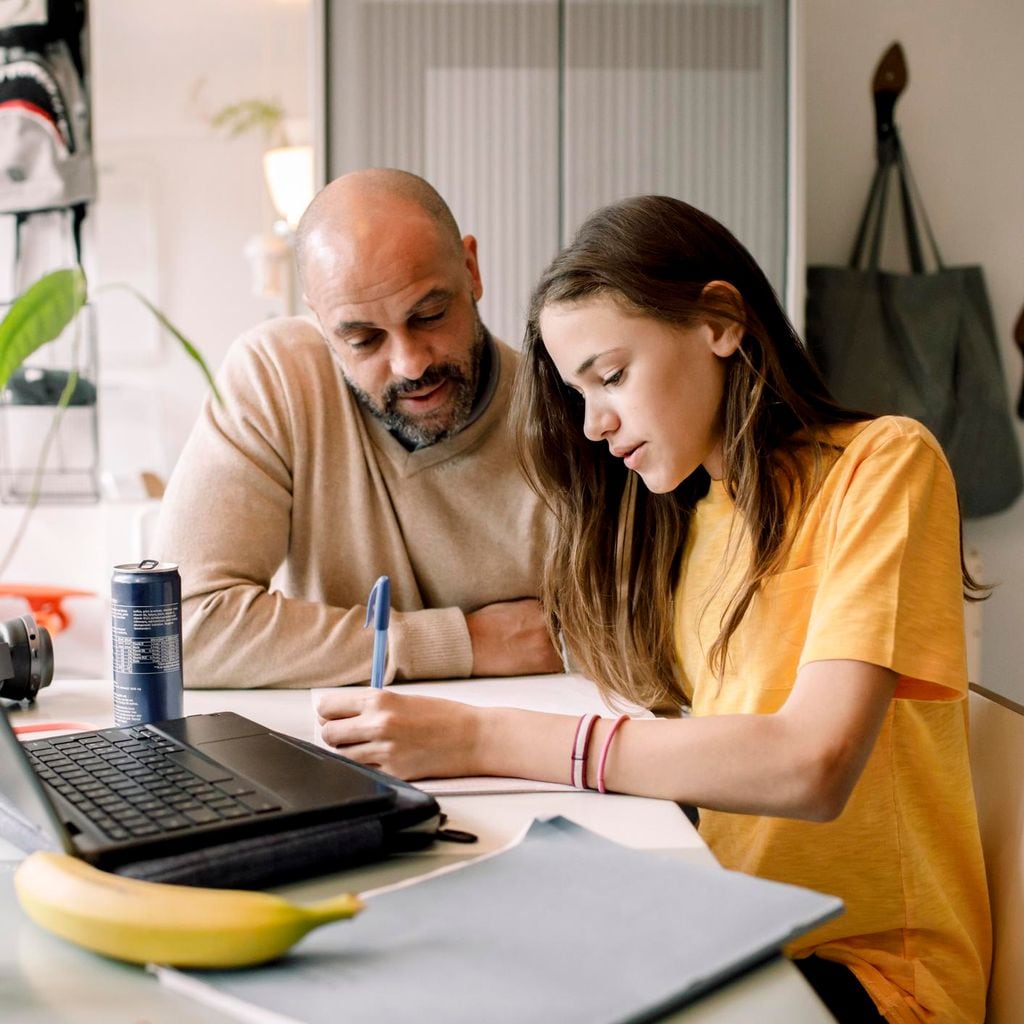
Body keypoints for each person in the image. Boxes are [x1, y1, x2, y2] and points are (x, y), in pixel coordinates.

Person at [317, 196, 992, 1023]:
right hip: (728, 929)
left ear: (719, 321)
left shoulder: (883, 467)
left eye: (610, 376)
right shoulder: (693, 517)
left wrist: (483, 737)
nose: (596, 424)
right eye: (577, 394)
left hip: (873, 976)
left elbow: (811, 765)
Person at [156, 169, 560, 688]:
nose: (410, 364)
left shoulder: (572, 421)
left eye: (430, 315)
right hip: (330, 752)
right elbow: (174, 630)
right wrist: (464, 643)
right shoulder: (278, 376)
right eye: (364, 339)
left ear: (471, 269)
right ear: (322, 322)